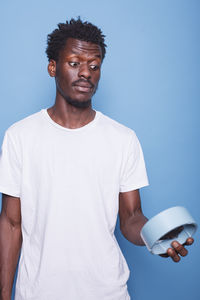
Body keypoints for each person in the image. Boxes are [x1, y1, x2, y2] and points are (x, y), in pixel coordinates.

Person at [0, 18, 194, 300]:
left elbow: (130, 218)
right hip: (37, 292)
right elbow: (10, 223)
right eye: (74, 63)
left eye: (94, 65)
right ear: (53, 67)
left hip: (107, 292)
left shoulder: (123, 139)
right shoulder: (20, 136)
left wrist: (156, 236)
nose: (86, 73)